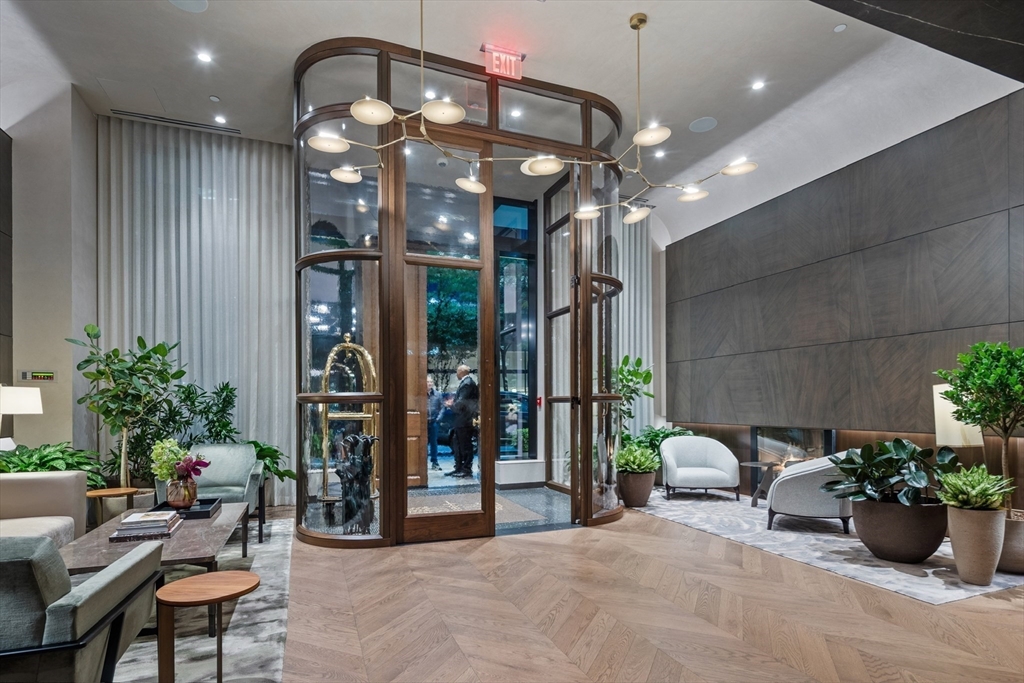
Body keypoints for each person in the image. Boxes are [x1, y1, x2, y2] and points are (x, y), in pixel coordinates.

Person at [446, 364, 479, 478]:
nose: (456, 374)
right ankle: (459, 467)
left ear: (462, 372)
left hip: (465, 420)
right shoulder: (466, 382)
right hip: (461, 419)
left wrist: (451, 405)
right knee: (457, 443)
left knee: (465, 445)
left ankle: (466, 469)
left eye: (457, 371)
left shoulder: (467, 383)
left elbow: (462, 402)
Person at [426, 377, 443, 471]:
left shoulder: (437, 394)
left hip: (434, 422)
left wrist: (438, 419)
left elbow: (442, 407)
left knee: (434, 443)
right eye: (428, 382)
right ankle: (422, 463)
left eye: (431, 382)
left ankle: (434, 462)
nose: (429, 383)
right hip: (423, 423)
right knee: (422, 443)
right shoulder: (420, 394)